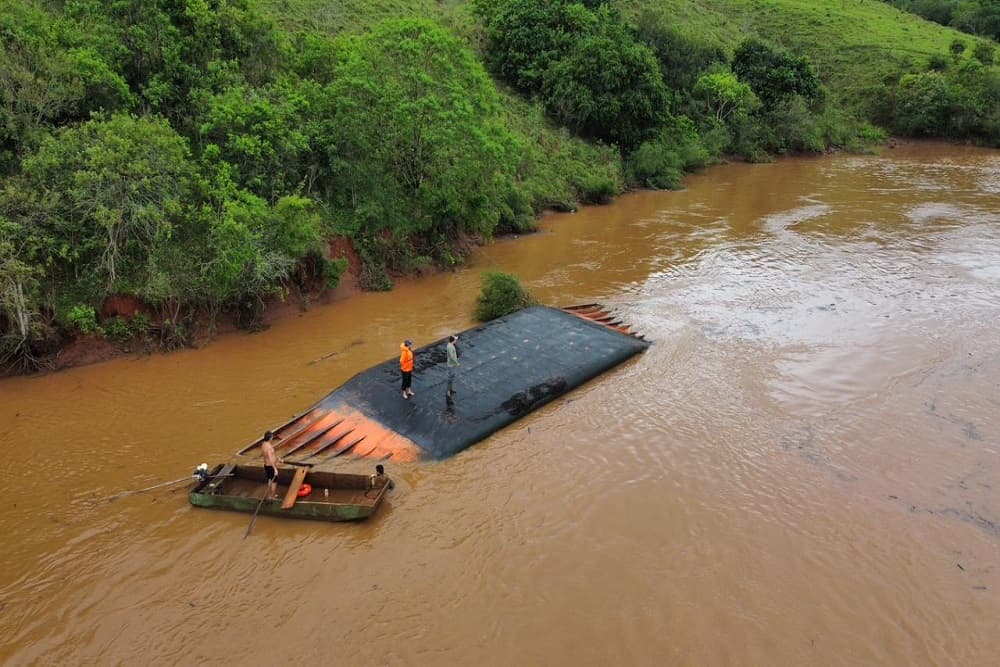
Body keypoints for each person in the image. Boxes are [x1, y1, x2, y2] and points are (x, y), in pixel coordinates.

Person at [261, 430, 279, 499]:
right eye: (272, 437)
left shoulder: (263, 444)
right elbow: (270, 458)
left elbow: (264, 455)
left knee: (270, 480)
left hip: (266, 466)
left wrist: (277, 458)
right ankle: (272, 496)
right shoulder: (269, 447)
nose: (272, 438)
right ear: (270, 438)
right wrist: (275, 469)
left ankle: (269, 495)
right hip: (271, 466)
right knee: (274, 482)